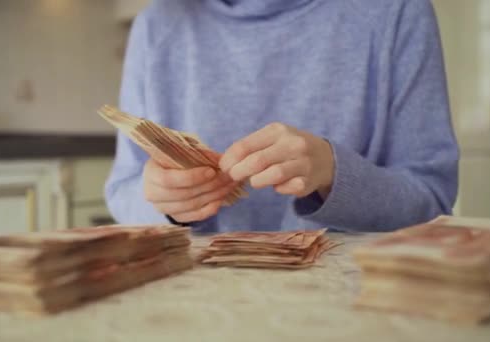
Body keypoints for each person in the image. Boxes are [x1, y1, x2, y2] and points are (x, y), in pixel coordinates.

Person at [104, 0, 459, 232]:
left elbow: (431, 203)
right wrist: (167, 205)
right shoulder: (156, 25)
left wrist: (333, 173)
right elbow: (124, 192)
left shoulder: (396, 12)